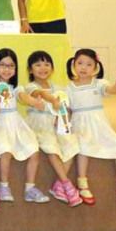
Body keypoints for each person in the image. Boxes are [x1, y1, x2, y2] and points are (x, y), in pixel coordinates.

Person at [66, 49, 116, 208]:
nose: (84, 67)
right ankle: (82, 184)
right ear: (74, 65)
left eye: (89, 64)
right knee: (83, 147)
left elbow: (113, 91)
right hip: (80, 124)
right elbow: (67, 109)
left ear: (96, 67)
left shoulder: (99, 83)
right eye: (80, 63)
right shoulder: (69, 88)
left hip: (99, 124)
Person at [0, 49, 50, 204]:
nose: (6, 69)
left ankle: (30, 188)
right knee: (6, 150)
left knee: (34, 149)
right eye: (2, 65)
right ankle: (4, 186)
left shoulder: (16, 87)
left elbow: (23, 97)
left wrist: (34, 102)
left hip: (16, 122)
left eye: (11, 66)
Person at [24, 51, 82, 207]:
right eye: (38, 65)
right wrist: (53, 100)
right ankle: (67, 184)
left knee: (72, 144)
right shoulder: (30, 87)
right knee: (51, 147)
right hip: (39, 124)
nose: (43, 68)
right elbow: (40, 94)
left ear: (52, 68)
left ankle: (58, 185)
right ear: (30, 70)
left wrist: (63, 117)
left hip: (57, 123)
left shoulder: (58, 88)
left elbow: (65, 107)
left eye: (47, 64)